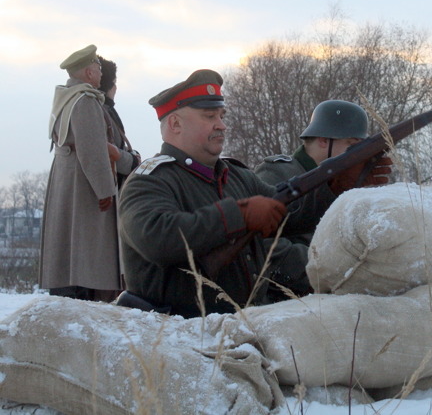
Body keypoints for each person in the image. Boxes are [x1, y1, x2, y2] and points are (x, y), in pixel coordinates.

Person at [118, 70, 391, 318]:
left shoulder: (236, 176)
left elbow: (288, 216)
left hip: (240, 325)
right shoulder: (149, 180)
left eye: (222, 116)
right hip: (176, 333)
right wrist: (238, 216)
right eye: (209, 117)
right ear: (175, 124)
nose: (221, 125)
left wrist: (336, 186)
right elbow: (157, 238)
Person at [254, 100, 370, 300]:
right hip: (285, 299)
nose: (356, 155)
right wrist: (323, 269)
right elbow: (260, 243)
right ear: (324, 140)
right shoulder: (277, 172)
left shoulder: (345, 183)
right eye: (350, 145)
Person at [40, 44, 123, 302]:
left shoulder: (65, 98)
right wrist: (105, 191)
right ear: (88, 73)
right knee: (85, 254)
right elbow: (92, 150)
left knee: (67, 250)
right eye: (97, 68)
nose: (100, 73)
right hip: (83, 185)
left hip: (67, 179)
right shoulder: (85, 101)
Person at [98, 56, 141, 189]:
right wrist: (132, 161)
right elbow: (101, 151)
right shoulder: (100, 112)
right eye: (114, 82)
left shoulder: (102, 109)